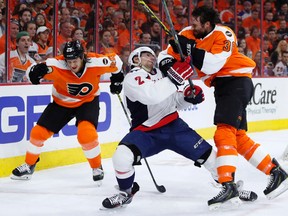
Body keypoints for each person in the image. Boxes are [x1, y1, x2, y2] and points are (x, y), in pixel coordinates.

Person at [158, 6, 288, 210]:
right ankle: (276, 173)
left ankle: (228, 184)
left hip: (236, 81)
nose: (192, 25)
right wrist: (168, 66)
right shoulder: (186, 34)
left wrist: (190, 49)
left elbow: (212, 65)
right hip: (222, 86)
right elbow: (164, 56)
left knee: (223, 132)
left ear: (208, 24)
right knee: (237, 137)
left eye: (197, 23)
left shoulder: (224, 34)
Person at [101, 46, 257, 209]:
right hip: (146, 132)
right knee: (121, 157)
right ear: (135, 59)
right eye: (147, 55)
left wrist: (187, 97)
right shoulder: (132, 78)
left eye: (153, 55)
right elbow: (152, 95)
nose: (152, 58)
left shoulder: (162, 75)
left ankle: (231, 188)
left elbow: (172, 101)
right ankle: (126, 192)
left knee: (211, 157)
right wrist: (175, 78)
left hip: (175, 127)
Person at [11, 40, 124, 185]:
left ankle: (97, 167)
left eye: (75, 60)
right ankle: (29, 165)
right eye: (69, 61)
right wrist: (33, 73)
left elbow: (118, 63)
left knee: (86, 135)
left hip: (87, 102)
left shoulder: (96, 62)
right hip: (61, 103)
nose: (72, 65)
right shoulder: (57, 65)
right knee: (37, 134)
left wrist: (117, 79)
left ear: (83, 56)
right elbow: (32, 70)